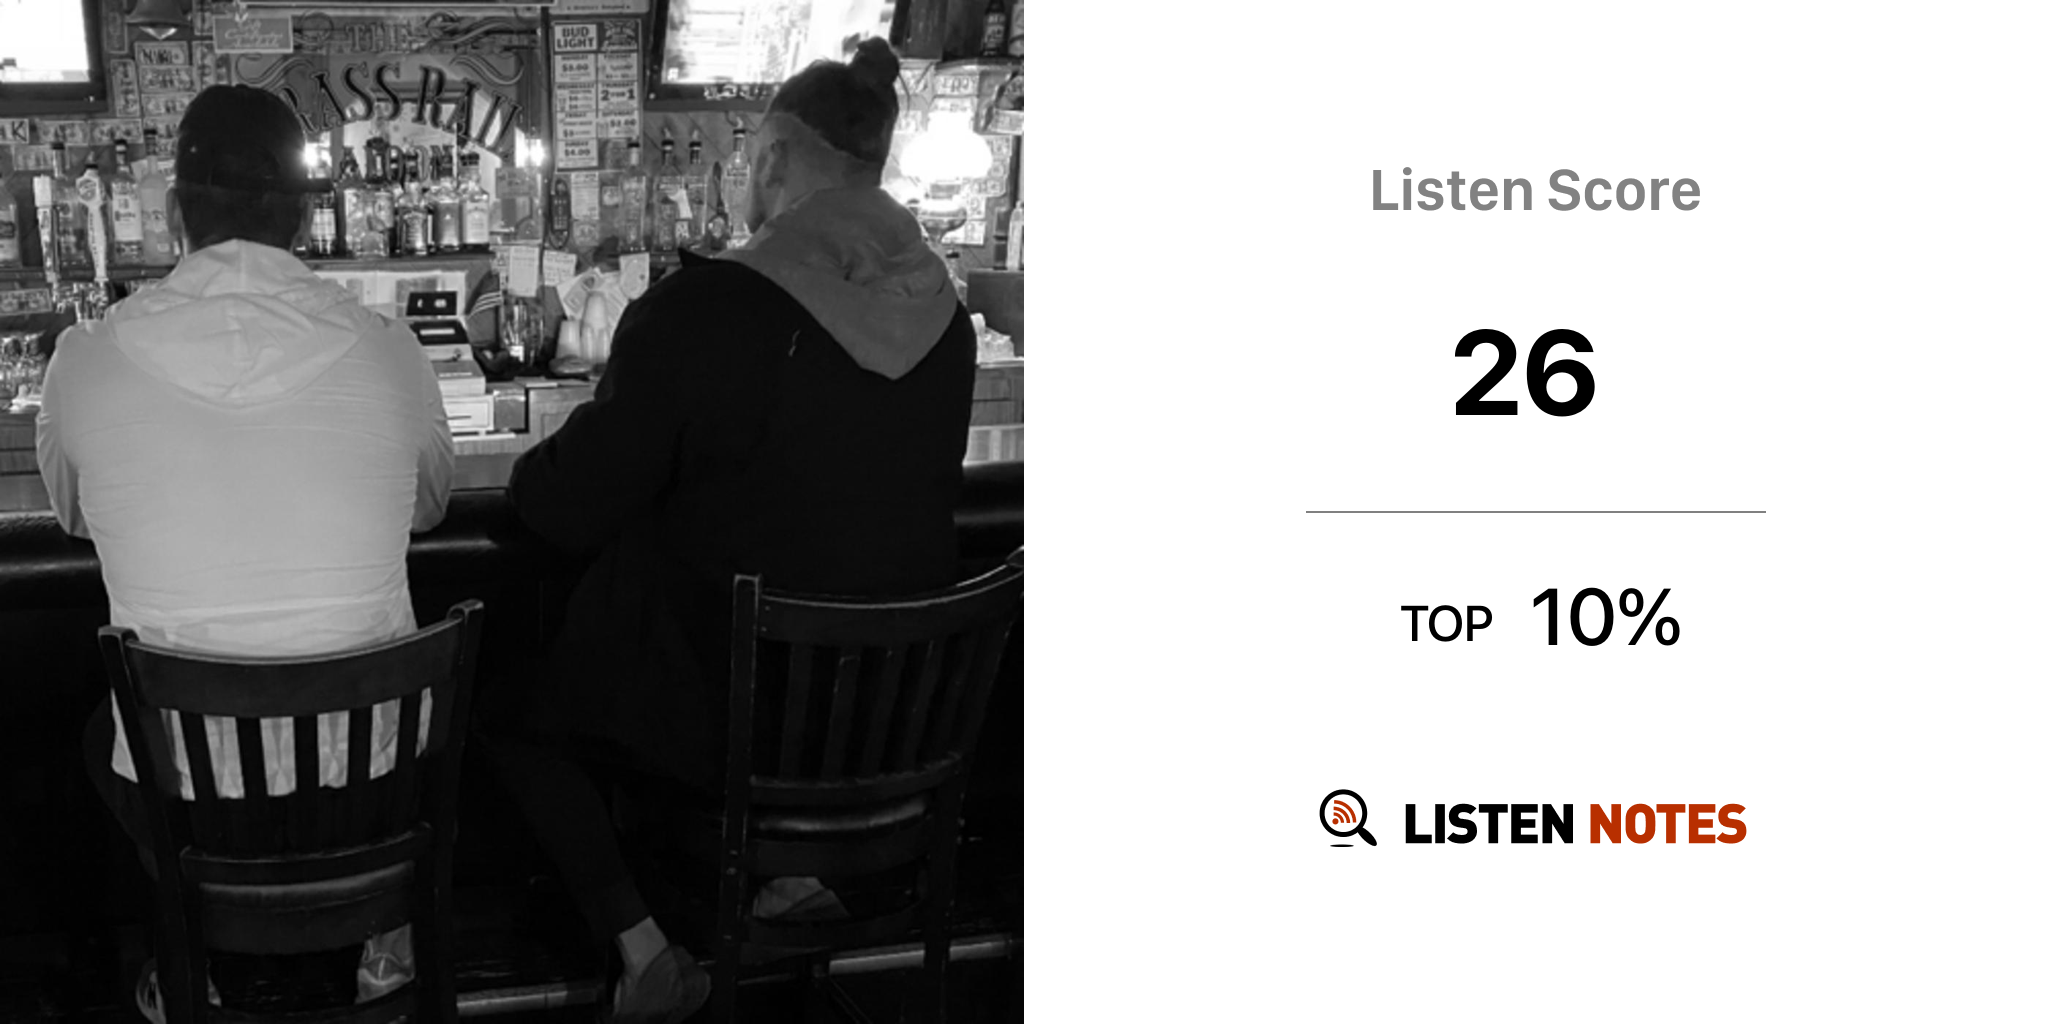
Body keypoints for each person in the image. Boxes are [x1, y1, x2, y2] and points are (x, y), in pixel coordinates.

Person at [494, 37, 977, 1023]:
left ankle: (642, 950)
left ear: (772, 157)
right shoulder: (947, 319)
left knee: (502, 681)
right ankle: (794, 871)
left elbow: (561, 506)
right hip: (889, 731)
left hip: (722, 726)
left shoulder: (705, 309)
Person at [37, 85, 454, 1022]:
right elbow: (431, 510)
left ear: (174, 212)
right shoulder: (391, 352)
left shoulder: (86, 359)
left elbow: (72, 517)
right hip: (373, 789)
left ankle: (195, 953)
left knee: (99, 736)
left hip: (192, 802)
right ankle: (384, 938)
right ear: (303, 217)